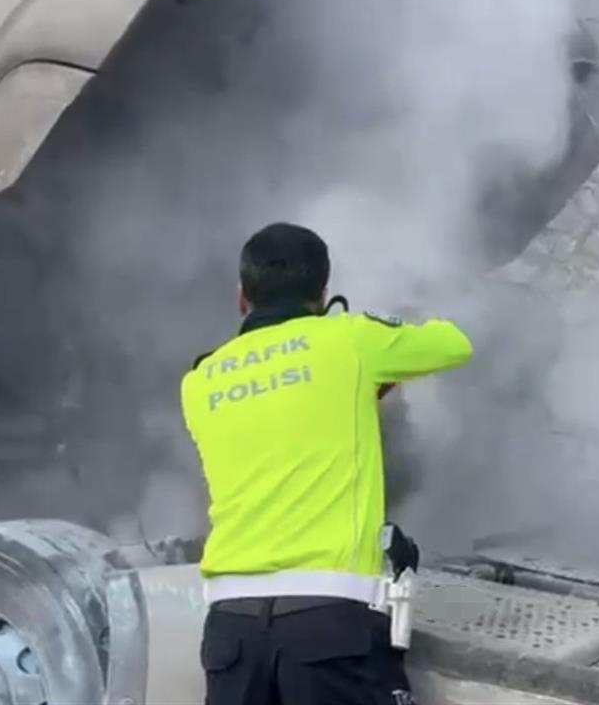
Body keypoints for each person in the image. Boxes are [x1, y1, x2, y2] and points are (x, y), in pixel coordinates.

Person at [180, 222, 473, 705]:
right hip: (328, 624)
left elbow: (275, 426)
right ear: (323, 290)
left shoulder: (201, 378)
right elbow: (453, 344)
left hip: (230, 632)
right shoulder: (350, 340)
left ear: (241, 297)